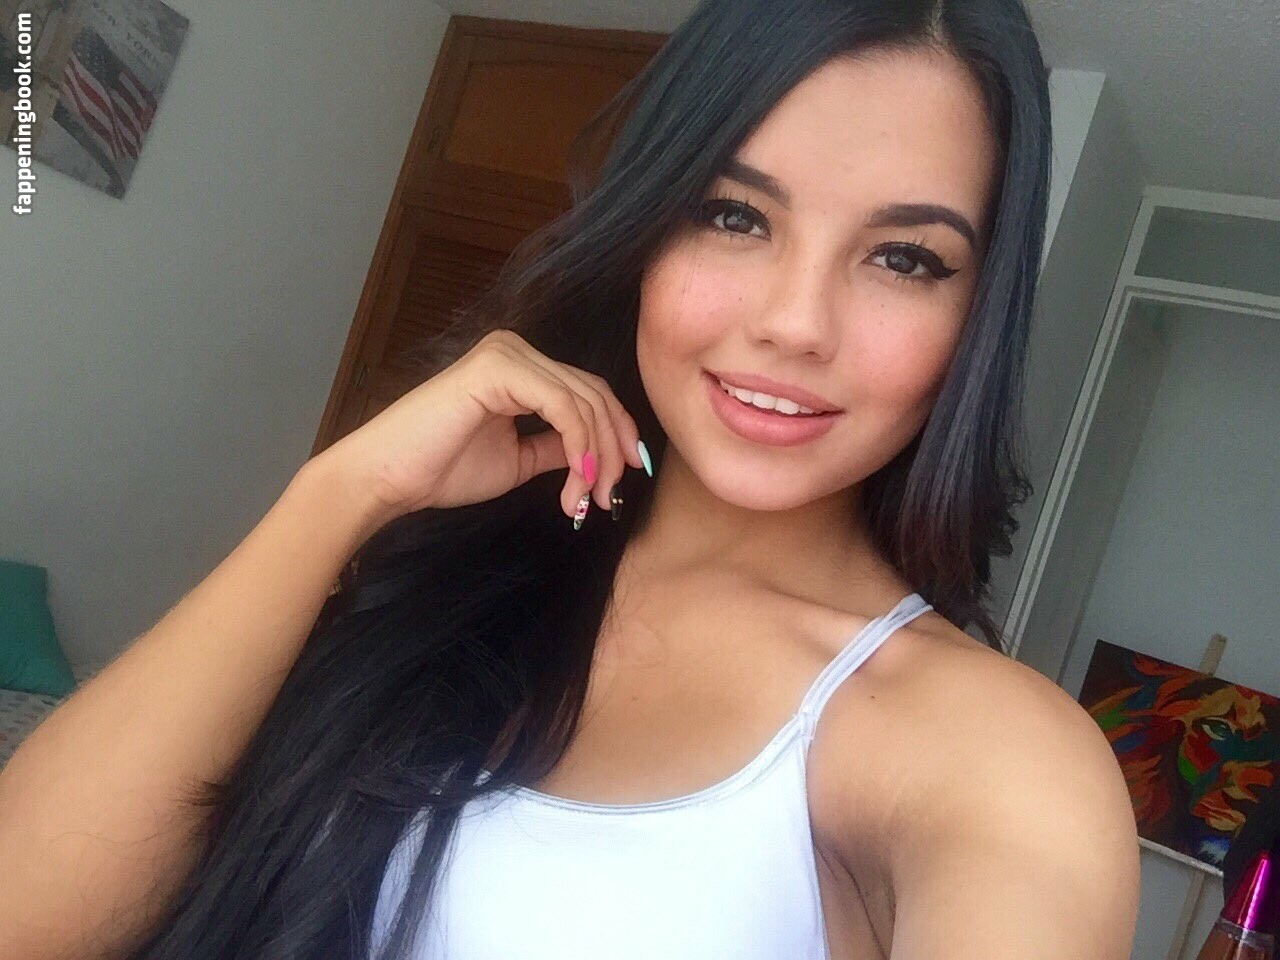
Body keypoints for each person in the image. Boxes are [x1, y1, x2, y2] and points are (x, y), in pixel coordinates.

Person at [0, 0, 1141, 957]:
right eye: (733, 214)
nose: (796, 323)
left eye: (903, 257)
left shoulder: (984, 753)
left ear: (977, 317)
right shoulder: (461, 560)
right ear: (644, 230)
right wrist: (340, 495)